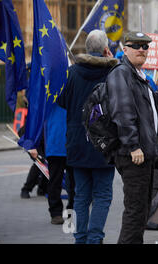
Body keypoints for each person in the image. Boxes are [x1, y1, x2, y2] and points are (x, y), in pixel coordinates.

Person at [106, 31, 158, 244]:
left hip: (144, 154)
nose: (142, 50)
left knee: (142, 209)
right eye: (136, 46)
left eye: (145, 47)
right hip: (133, 154)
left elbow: (154, 101)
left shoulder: (138, 75)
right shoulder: (122, 73)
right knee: (135, 211)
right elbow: (122, 111)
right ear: (124, 49)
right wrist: (133, 145)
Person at [57, 30, 118, 244]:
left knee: (81, 195)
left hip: (77, 143)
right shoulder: (112, 73)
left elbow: (63, 101)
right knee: (102, 195)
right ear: (105, 49)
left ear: (86, 47)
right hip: (104, 143)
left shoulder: (73, 72)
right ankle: (95, 238)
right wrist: (113, 61)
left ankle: (80, 238)